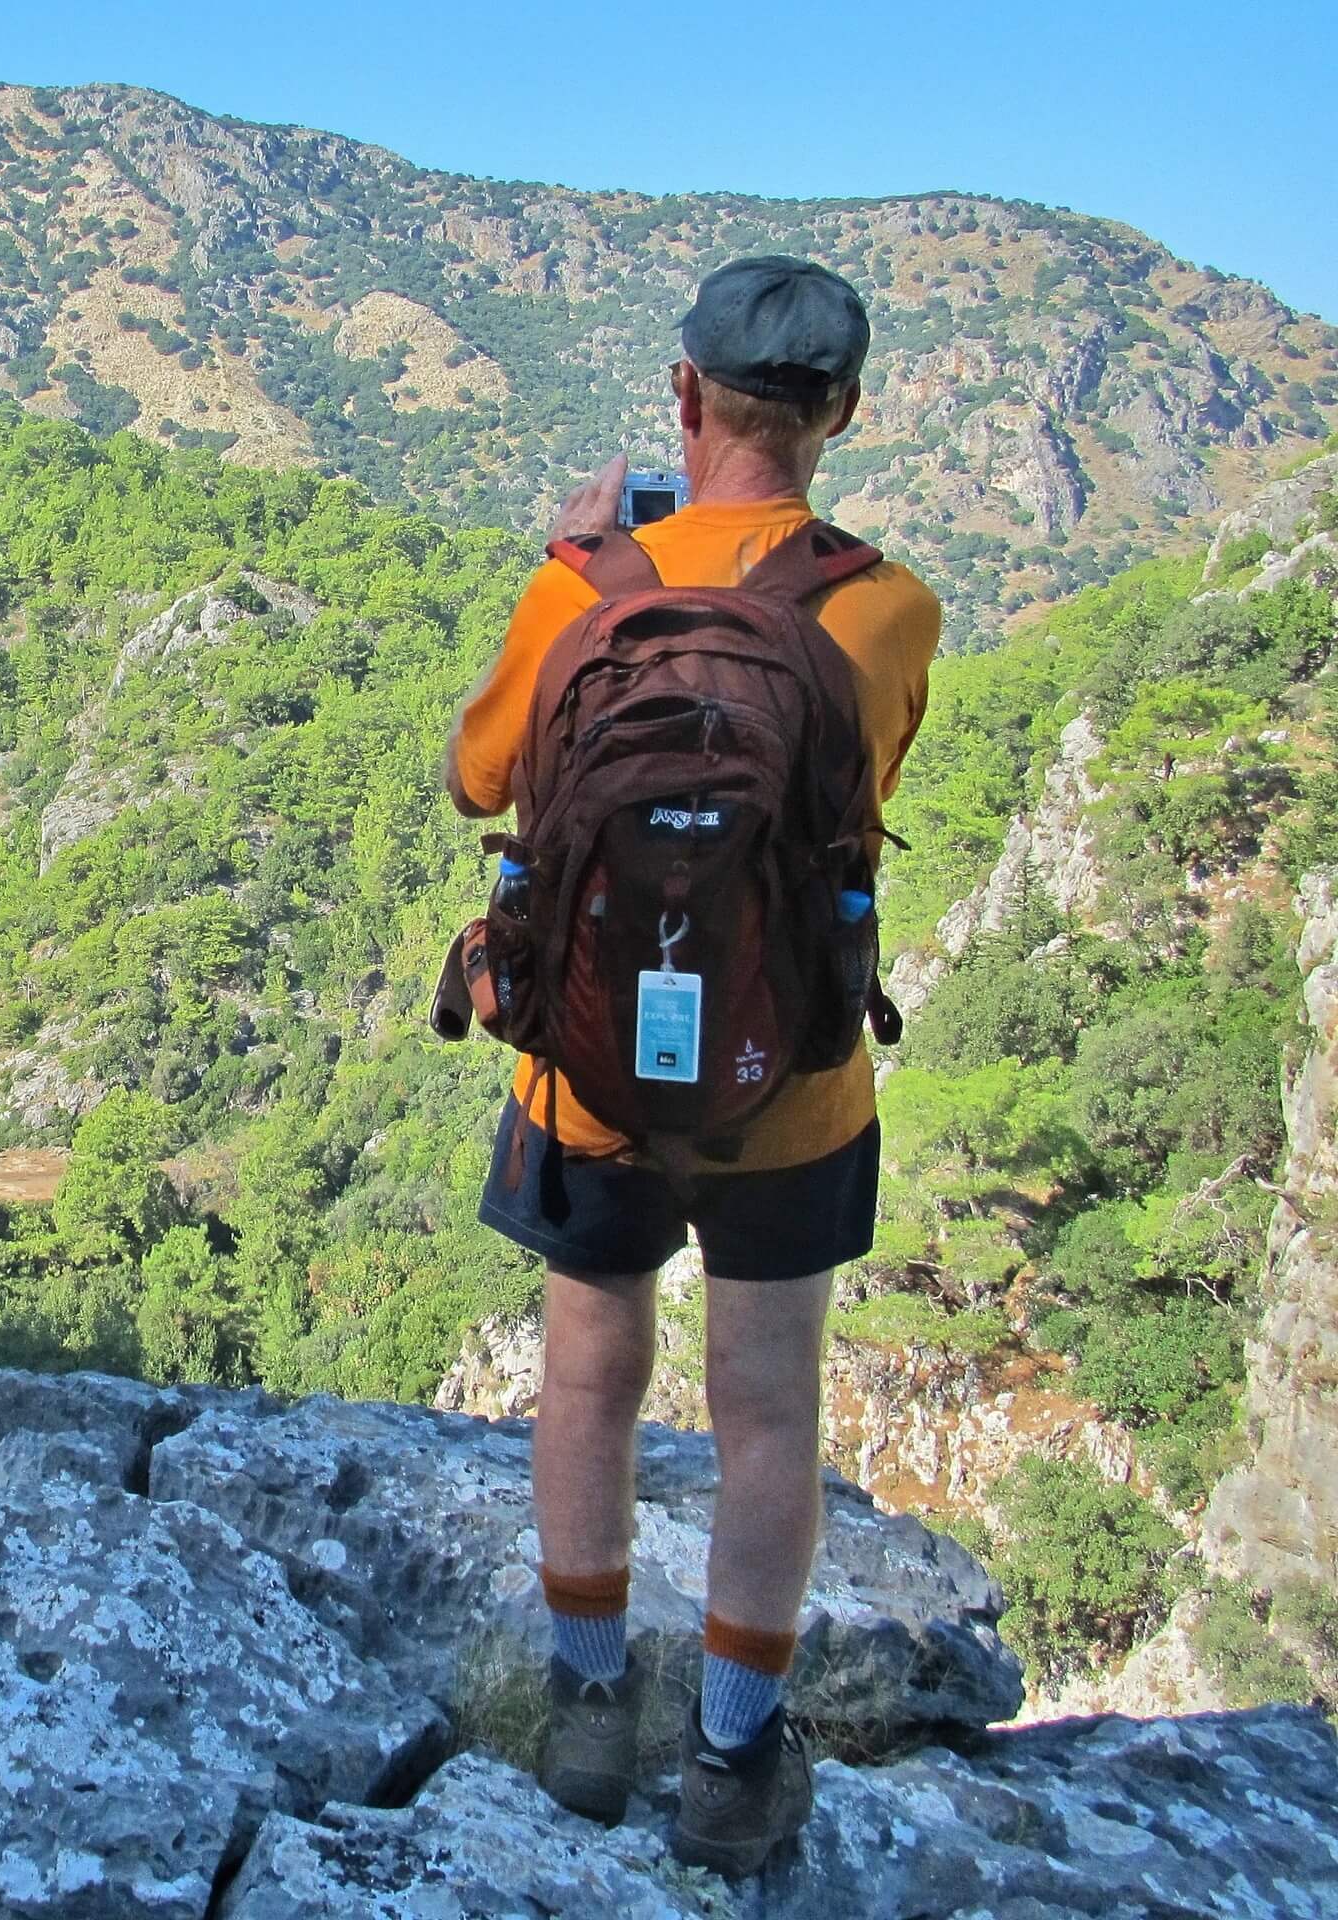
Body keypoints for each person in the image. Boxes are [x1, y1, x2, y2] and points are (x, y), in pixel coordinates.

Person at [441, 255, 940, 1877]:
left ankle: (591, 1708)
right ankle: (731, 1753)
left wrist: (575, 560)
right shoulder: (887, 607)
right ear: (841, 416)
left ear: (683, 397)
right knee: (767, 1412)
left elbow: (476, 775)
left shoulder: (581, 587)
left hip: (587, 1065)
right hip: (788, 1076)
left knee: (590, 1373)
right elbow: (857, 792)